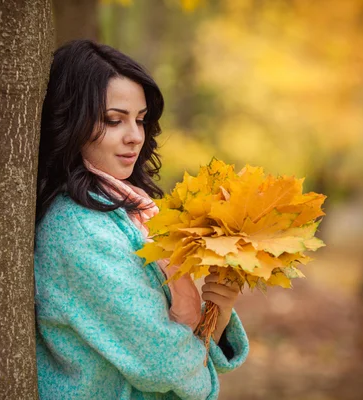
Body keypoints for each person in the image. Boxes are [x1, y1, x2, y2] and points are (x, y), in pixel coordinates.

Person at [34, 39, 249, 400]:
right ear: (71, 121)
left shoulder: (133, 211)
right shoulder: (77, 230)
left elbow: (171, 339)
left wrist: (219, 311)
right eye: (113, 120)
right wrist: (205, 380)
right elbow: (163, 361)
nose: (134, 136)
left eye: (140, 120)